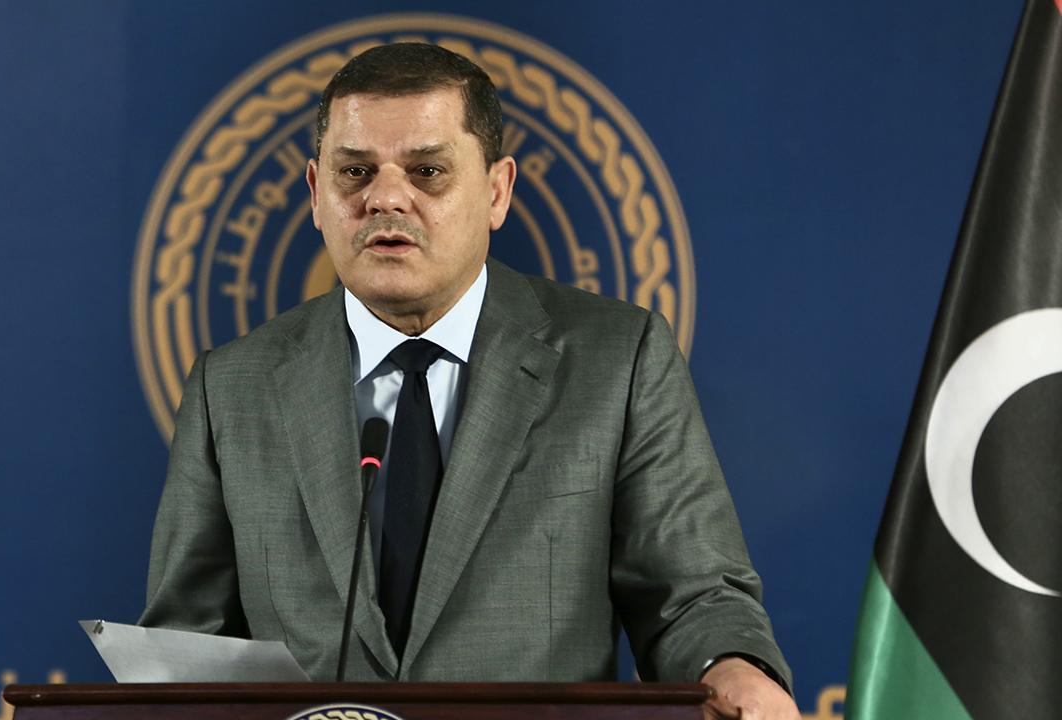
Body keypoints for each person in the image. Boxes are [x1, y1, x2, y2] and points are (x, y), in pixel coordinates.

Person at [140, 42, 799, 719]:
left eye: (427, 171)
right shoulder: (231, 387)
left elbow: (694, 598)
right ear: (315, 192)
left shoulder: (617, 361)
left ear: (496, 191)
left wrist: (732, 667)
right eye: (354, 172)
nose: (384, 198)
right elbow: (187, 649)